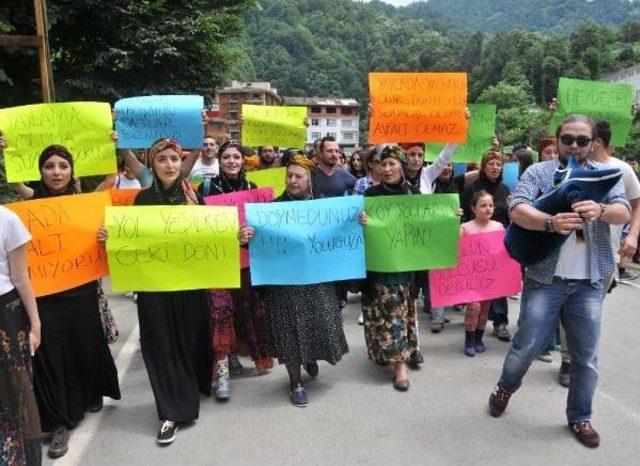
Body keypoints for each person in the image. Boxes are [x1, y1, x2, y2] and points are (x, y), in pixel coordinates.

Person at [488, 114, 630, 449]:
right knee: (525, 346)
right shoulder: (539, 172)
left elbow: (624, 210)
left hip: (589, 283)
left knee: (585, 356)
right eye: (568, 139)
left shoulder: (608, 174)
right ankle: (505, 387)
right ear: (558, 138)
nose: (575, 146)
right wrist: (550, 222)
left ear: (594, 142)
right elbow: (518, 208)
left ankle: (580, 416)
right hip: (544, 278)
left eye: (583, 140)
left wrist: (601, 209)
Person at [27, 145, 121, 458]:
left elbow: (111, 184)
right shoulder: (26, 208)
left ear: (71, 171)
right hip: (44, 296)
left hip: (81, 291)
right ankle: (57, 424)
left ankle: (91, 392)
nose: (56, 172)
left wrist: (107, 236)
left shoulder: (85, 203)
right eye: (49, 166)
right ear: (40, 171)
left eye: (63, 166)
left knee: (84, 345)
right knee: (51, 355)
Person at [240, 155, 354, 407]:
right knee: (289, 329)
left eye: (298, 176)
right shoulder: (271, 211)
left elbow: (343, 233)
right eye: (289, 176)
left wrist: (359, 222)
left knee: (316, 323)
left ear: (309, 179)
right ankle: (295, 381)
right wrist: (245, 237)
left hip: (317, 282)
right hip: (283, 285)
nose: (292, 180)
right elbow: (260, 247)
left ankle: (310, 356)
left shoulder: (325, 208)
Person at [127, 138, 212, 445]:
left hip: (189, 285)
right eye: (162, 159)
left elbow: (209, 239)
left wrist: (236, 235)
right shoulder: (142, 200)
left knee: (189, 340)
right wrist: (111, 236)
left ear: (181, 162)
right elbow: (132, 241)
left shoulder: (195, 199)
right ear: (153, 164)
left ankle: (192, 386)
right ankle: (171, 412)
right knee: (160, 345)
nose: (169, 165)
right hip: (155, 287)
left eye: (175, 159)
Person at [198, 140, 273, 399]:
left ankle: (242, 356)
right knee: (220, 312)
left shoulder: (253, 189)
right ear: (219, 160)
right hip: (217, 263)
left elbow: (264, 227)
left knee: (247, 310)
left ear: (243, 161)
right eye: (227, 157)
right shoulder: (206, 188)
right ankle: (222, 372)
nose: (232, 161)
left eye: (236, 157)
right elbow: (198, 226)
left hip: (246, 262)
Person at [360, 146, 420, 391]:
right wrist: (361, 221)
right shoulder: (370, 196)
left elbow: (427, 227)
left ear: (402, 166)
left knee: (402, 311)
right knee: (388, 311)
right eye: (382, 164)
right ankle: (399, 366)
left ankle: (404, 353)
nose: (386, 169)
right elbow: (357, 231)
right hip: (379, 266)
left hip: (406, 266)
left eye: (392, 164)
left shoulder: (413, 196)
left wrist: (449, 216)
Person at [0, 205, 42, 465]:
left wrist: (35, 323)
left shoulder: (7, 220)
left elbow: (20, 277)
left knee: (16, 390)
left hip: (6, 316)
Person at [460, 151, 512, 342]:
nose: (495, 167)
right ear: (483, 166)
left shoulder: (505, 189)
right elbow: (464, 216)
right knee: (477, 294)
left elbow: (509, 216)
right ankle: (472, 330)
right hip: (476, 247)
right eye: (491, 164)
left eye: (499, 164)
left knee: (497, 287)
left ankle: (500, 323)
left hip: (497, 246)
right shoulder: (472, 189)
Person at [459, 191, 505, 356]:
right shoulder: (465, 228)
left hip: (489, 277)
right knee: (474, 306)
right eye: (483, 205)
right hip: (471, 277)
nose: (488, 209)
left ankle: (479, 338)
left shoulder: (498, 226)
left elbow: (503, 250)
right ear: (473, 208)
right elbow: (456, 250)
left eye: (491, 205)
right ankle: (469, 339)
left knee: (485, 308)